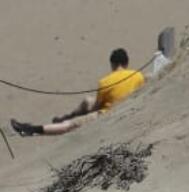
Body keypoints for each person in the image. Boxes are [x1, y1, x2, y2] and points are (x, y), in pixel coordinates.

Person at [10, 48, 146, 137]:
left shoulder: (105, 81)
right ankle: (66, 116)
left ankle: (31, 130)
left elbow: (97, 108)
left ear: (112, 64)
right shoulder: (138, 75)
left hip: (108, 113)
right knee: (87, 100)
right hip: (126, 106)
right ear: (127, 62)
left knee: (68, 126)